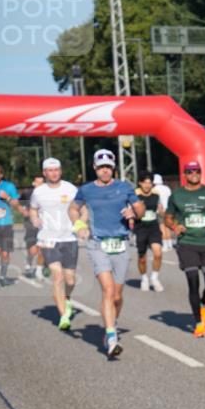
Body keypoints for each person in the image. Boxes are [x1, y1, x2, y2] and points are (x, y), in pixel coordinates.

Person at [69, 149, 144, 358]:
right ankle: (111, 337)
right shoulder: (86, 190)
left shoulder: (124, 187)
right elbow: (73, 209)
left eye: (108, 167)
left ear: (113, 168)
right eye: (101, 167)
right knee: (108, 290)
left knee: (117, 296)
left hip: (121, 243)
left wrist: (134, 212)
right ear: (95, 167)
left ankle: (113, 322)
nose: (105, 170)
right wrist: (79, 225)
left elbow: (140, 209)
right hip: (97, 243)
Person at [165, 161, 205, 337]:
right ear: (185, 174)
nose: (194, 174)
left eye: (197, 170)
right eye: (190, 171)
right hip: (187, 244)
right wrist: (174, 226)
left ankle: (201, 304)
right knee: (193, 281)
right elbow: (168, 218)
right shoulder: (176, 195)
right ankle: (198, 323)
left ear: (201, 172)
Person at [30, 158, 78, 330]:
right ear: (44, 173)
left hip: (69, 238)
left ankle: (67, 298)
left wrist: (82, 224)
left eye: (56, 169)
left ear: (61, 171)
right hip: (47, 238)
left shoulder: (70, 188)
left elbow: (81, 207)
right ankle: (63, 316)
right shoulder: (38, 192)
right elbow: (33, 209)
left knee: (70, 279)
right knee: (57, 276)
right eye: (50, 170)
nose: (54, 173)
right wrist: (35, 219)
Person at [134, 172, 165, 292]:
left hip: (153, 226)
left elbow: (160, 210)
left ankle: (154, 278)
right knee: (142, 258)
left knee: (158, 253)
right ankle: (144, 278)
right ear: (140, 183)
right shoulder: (135, 194)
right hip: (140, 227)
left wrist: (162, 212)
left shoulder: (156, 194)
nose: (147, 185)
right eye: (144, 182)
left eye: (149, 183)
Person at [20, 176, 44, 278]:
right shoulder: (28, 193)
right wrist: (23, 210)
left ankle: (39, 269)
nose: (40, 185)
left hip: (45, 223)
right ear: (34, 183)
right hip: (31, 222)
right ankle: (29, 261)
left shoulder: (48, 193)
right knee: (33, 249)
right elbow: (19, 202)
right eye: (38, 182)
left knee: (43, 247)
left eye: (42, 182)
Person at [153, 174, 174, 251]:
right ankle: (170, 245)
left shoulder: (154, 189)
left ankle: (165, 245)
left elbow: (157, 201)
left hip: (160, 210)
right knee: (167, 227)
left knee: (161, 228)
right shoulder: (167, 188)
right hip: (168, 209)